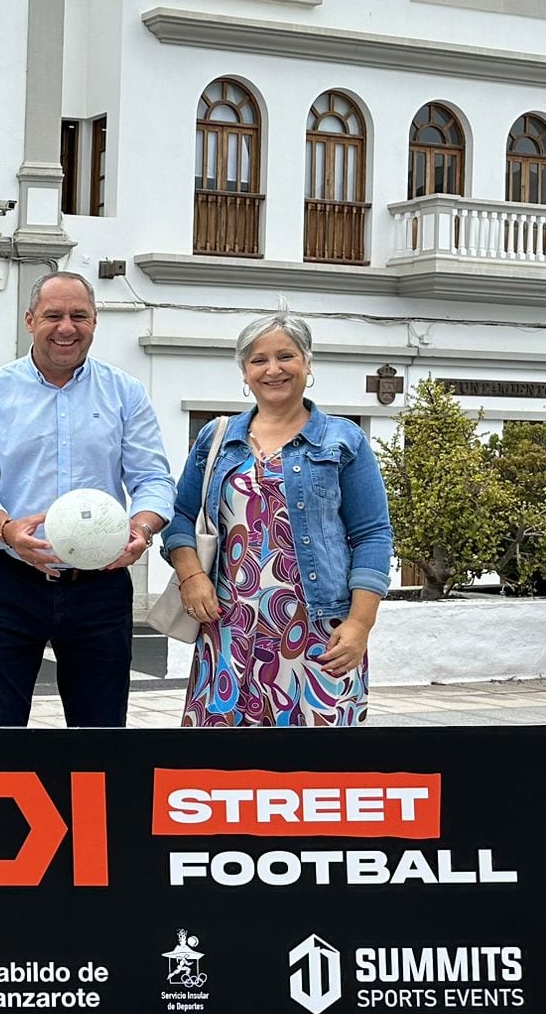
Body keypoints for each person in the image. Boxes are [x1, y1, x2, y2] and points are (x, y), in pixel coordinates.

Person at [0, 271, 175, 727]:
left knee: (101, 729)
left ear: (94, 322)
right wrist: (5, 529)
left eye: (79, 316)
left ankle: (99, 801)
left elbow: (153, 478)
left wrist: (143, 529)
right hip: (8, 581)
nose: (66, 327)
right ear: (30, 320)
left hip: (100, 584)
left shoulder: (125, 393)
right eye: (53, 315)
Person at [164, 311, 391, 727]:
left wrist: (360, 623)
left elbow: (372, 534)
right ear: (244, 373)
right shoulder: (216, 438)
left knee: (317, 772)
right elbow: (179, 517)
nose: (273, 369)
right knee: (222, 771)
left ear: (307, 364)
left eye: (286, 356)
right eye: (258, 360)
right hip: (228, 627)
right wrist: (192, 575)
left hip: (320, 631)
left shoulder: (343, 440)